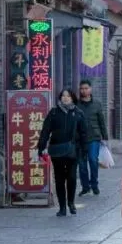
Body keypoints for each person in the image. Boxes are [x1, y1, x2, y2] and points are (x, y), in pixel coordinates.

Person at [38, 88, 89, 216]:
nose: (65, 98)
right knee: (59, 179)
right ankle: (62, 207)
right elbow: (45, 130)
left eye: (68, 96)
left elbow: (84, 133)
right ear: (60, 98)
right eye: (63, 96)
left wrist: (84, 150)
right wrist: (41, 147)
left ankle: (71, 202)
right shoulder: (54, 113)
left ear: (73, 98)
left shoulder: (78, 113)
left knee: (71, 177)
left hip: (73, 151)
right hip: (57, 150)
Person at [76, 79, 108, 197]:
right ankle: (85, 187)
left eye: (86, 88)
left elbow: (101, 121)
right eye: (82, 88)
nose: (84, 90)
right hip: (79, 139)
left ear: (90, 89)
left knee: (93, 160)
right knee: (82, 164)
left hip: (94, 137)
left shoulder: (97, 104)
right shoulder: (76, 104)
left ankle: (94, 184)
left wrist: (105, 137)